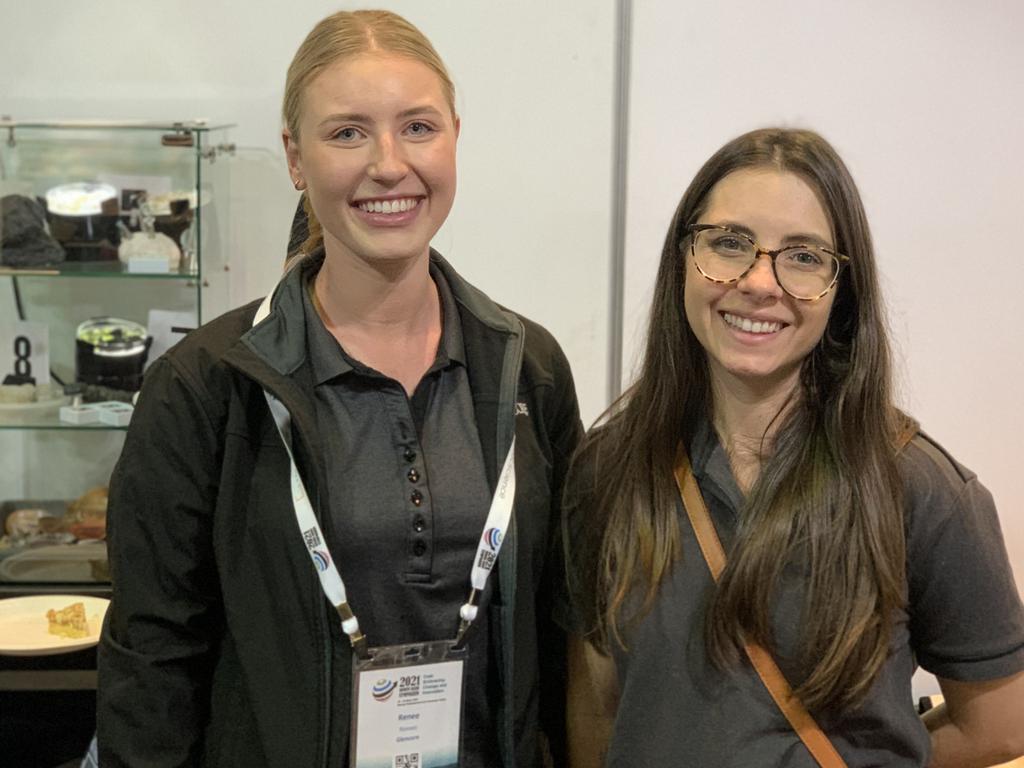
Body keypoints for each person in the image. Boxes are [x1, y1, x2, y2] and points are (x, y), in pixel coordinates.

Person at [97, 10, 582, 767]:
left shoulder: (530, 369)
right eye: (348, 133)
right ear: (295, 157)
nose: (389, 164)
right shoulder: (203, 386)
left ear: (455, 135)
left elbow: (561, 635)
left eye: (418, 128)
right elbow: (151, 665)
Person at [558, 128, 1024, 768]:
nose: (758, 282)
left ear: (842, 290)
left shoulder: (922, 489)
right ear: (682, 258)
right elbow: (598, 707)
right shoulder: (608, 468)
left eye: (803, 257)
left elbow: (999, 724)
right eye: (729, 244)